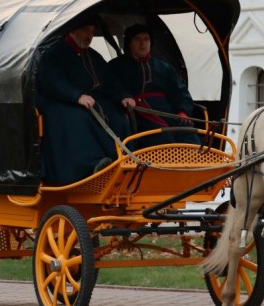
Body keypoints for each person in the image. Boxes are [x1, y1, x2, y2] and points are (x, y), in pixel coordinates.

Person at [35, 14, 129, 185]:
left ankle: (119, 162)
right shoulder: (55, 52)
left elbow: (109, 80)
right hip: (58, 100)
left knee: (118, 117)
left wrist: (123, 97)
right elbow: (52, 81)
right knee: (78, 118)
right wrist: (76, 96)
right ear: (73, 31)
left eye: (92, 32)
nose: (90, 36)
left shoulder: (92, 55)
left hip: (89, 100)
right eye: (86, 30)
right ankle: (88, 168)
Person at [107, 23, 200, 147]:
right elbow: (112, 87)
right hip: (136, 112)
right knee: (161, 134)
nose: (143, 43)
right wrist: (124, 97)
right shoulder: (116, 66)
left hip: (167, 111)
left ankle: (197, 162)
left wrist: (182, 111)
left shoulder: (164, 68)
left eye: (146, 39)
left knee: (186, 128)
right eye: (137, 39)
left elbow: (180, 92)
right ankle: (171, 164)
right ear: (129, 42)